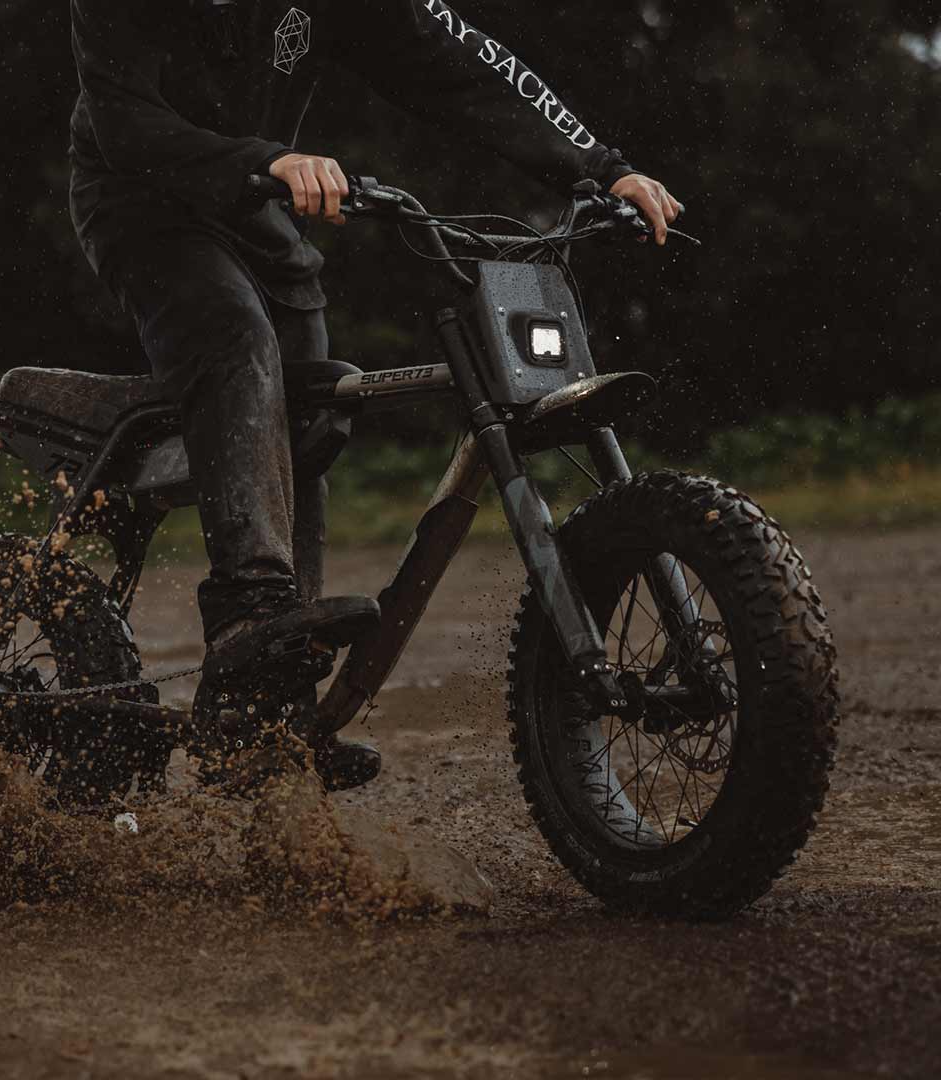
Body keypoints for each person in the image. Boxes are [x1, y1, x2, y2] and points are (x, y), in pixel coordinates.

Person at [69, 0, 682, 786]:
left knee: (313, 402)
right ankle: (247, 613)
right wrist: (270, 160)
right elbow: (125, 124)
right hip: (140, 206)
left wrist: (601, 166)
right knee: (231, 334)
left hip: (256, 211)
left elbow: (462, 65)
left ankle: (269, 702)